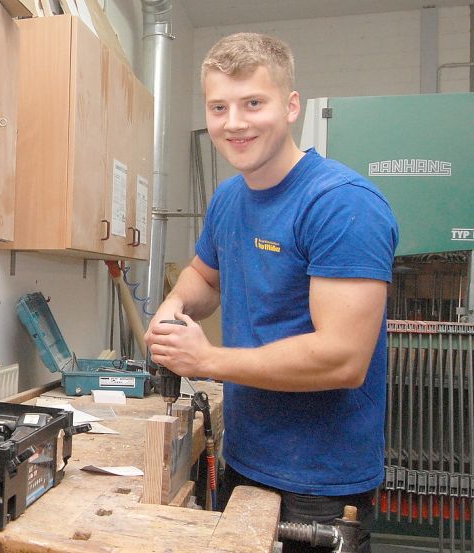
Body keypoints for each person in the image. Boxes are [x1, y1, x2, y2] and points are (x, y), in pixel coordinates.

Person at [144, 32, 398, 553]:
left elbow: (342, 359)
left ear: (291, 106)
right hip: (245, 458)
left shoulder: (341, 205)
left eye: (253, 103)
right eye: (219, 107)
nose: (234, 123)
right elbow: (205, 278)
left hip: (321, 483)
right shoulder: (228, 199)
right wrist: (175, 306)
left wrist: (209, 359)